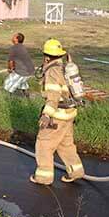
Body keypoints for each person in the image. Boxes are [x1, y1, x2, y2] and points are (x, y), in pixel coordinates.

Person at [31, 39, 84, 186]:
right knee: (66, 145)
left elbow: (53, 96)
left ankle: (43, 177)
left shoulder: (52, 71)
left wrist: (46, 115)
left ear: (47, 57)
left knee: (44, 145)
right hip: (69, 113)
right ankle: (76, 172)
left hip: (57, 116)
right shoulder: (65, 67)